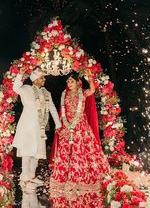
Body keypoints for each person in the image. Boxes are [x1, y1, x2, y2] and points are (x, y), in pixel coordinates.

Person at [49, 71, 110, 207]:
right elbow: (62, 110)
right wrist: (61, 124)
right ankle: (65, 178)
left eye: (71, 81)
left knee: (82, 150)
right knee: (66, 152)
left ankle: (80, 177)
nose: (69, 84)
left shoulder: (83, 93)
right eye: (68, 82)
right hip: (67, 125)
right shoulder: (64, 94)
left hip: (80, 125)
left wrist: (89, 77)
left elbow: (93, 90)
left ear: (77, 82)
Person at [12, 68, 62, 190]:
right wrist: (20, 74)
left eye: (43, 77)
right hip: (27, 126)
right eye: (41, 78)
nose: (44, 79)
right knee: (27, 152)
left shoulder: (47, 93)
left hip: (40, 127)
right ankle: (25, 179)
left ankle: (32, 176)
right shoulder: (26, 89)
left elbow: (53, 109)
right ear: (35, 80)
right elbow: (15, 88)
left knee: (37, 153)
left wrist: (58, 124)